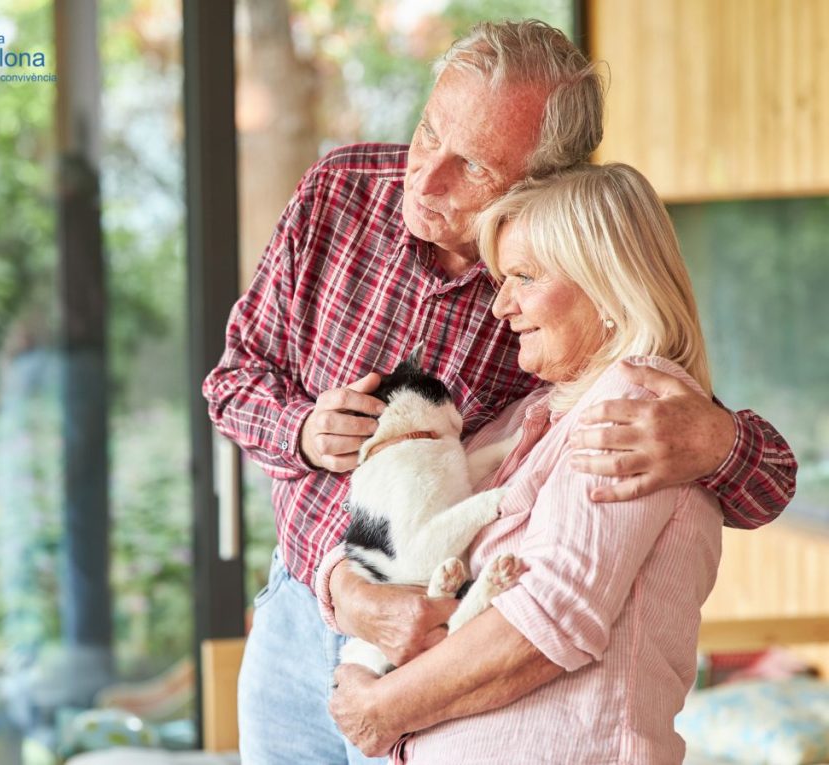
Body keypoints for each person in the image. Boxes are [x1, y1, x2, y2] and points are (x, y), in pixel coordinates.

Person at [202, 19, 796, 765]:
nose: (425, 177)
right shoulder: (340, 193)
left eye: (473, 165)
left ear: (543, 183)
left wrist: (714, 439)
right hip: (304, 603)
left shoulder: (560, 285)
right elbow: (232, 381)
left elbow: (749, 480)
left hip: (437, 643)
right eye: (427, 134)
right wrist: (301, 436)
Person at [326, 161, 730, 762]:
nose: (500, 307)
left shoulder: (637, 413)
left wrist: (376, 709)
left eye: (524, 277)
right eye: (500, 279)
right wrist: (346, 589)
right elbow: (396, 535)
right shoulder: (527, 418)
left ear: (607, 284)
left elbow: (545, 626)